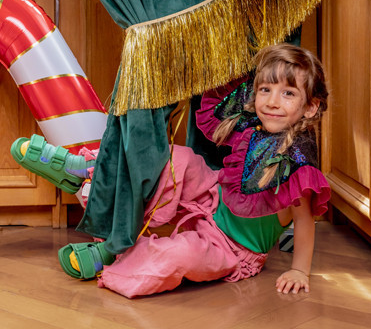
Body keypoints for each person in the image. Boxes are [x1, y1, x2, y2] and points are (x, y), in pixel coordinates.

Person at [11, 43, 330, 297]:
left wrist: (299, 270)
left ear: (310, 106)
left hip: (232, 247)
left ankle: (113, 252)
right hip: (211, 197)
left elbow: (304, 222)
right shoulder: (252, 125)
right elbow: (226, 99)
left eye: (288, 93)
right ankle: (89, 169)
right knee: (180, 159)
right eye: (265, 90)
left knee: (179, 255)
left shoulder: (297, 164)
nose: (272, 101)